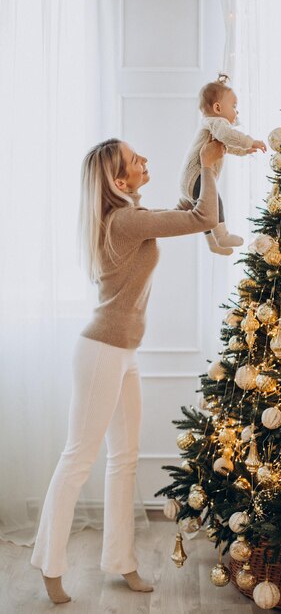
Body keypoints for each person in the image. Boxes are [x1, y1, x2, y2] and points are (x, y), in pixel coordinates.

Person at [30, 137, 223, 604]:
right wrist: (211, 170)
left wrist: (200, 162)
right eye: (137, 160)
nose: (144, 161)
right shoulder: (125, 221)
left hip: (122, 352)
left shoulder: (128, 217)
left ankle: (122, 562)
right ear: (119, 181)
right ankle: (49, 566)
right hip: (101, 352)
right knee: (78, 459)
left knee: (124, 459)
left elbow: (181, 211)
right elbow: (203, 218)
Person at [178, 74, 266, 256]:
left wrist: (243, 151)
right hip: (197, 177)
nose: (237, 112)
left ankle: (213, 243)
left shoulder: (212, 126)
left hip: (190, 180)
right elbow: (228, 137)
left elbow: (225, 147)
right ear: (218, 108)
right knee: (213, 205)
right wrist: (250, 142)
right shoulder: (217, 122)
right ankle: (222, 235)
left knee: (205, 212)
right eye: (234, 106)